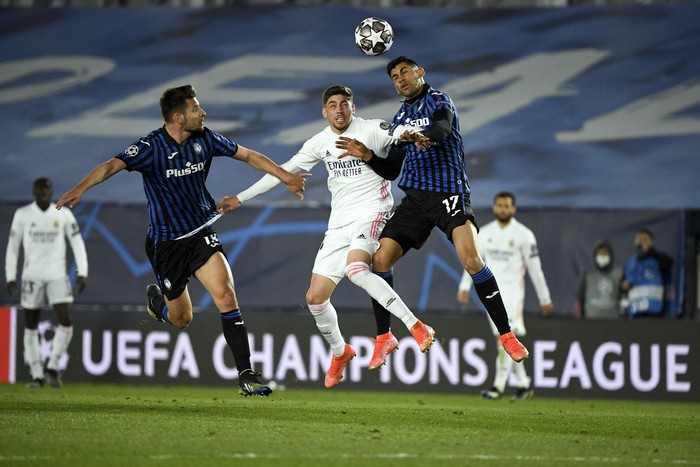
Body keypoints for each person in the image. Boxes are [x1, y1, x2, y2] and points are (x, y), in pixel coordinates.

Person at [55, 84, 307, 397]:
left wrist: (285, 176)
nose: (202, 113)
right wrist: (81, 188)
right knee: (181, 318)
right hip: (167, 245)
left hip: (201, 233)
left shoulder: (206, 138)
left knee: (226, 295)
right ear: (178, 117)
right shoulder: (150, 147)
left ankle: (246, 375)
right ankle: (157, 306)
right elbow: (111, 166)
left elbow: (249, 156)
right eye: (195, 109)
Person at [217, 85, 436, 389]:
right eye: (332, 105)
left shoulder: (370, 129)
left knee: (357, 270)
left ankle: (416, 326)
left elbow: (399, 132)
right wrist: (240, 198)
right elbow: (283, 171)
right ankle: (341, 352)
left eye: (344, 104)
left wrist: (410, 134)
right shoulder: (319, 142)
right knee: (315, 299)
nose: (339, 110)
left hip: (373, 212)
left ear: (353, 107)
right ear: (325, 112)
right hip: (339, 224)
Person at [339, 56, 530, 370]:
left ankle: (506, 334)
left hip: (449, 194)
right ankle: (384, 336)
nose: (400, 78)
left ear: (419, 73)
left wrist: (425, 137)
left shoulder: (440, 100)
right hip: (415, 201)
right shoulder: (400, 117)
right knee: (380, 259)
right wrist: (368, 155)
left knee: (471, 258)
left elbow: (442, 128)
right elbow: (390, 169)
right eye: (395, 76)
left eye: (405, 72)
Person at [456, 192, 552, 400]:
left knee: (505, 339)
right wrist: (464, 286)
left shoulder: (524, 235)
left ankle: (498, 386)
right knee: (507, 340)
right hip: (491, 295)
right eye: (500, 205)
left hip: (513, 294)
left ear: (513, 209)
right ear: (494, 207)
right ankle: (524, 385)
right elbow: (472, 261)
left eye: (507, 206)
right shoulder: (484, 233)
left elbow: (536, 270)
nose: (503, 209)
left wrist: (544, 298)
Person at [5, 177, 88, 389]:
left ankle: (52, 365)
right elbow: (13, 247)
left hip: (57, 275)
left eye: (47, 189)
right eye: (40, 189)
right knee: (31, 324)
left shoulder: (63, 214)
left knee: (66, 320)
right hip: (31, 275)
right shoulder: (23, 215)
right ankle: (36, 375)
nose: (44, 192)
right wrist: (10, 276)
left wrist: (82, 271)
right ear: (34, 191)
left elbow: (77, 242)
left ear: (51, 192)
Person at [620, 229, 673, 318]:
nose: (642, 242)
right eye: (640, 239)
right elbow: (623, 286)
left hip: (654, 311)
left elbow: (669, 263)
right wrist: (626, 284)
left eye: (645, 239)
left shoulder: (658, 259)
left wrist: (651, 251)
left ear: (651, 241)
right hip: (636, 310)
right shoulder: (631, 262)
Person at [575, 240, 624, 319]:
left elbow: (624, 296)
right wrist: (579, 320)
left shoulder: (618, 273)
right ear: (595, 256)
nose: (602, 256)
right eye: (600, 253)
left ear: (610, 255)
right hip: (591, 322)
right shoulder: (587, 273)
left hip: (614, 322)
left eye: (605, 253)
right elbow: (579, 299)